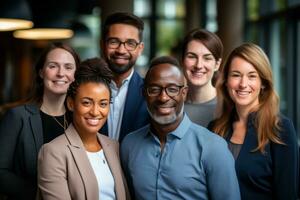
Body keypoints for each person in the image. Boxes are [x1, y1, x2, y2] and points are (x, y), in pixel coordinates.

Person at [121, 56, 240, 200]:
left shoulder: (213, 148)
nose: (163, 97)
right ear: (144, 93)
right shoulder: (129, 145)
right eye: (154, 89)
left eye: (172, 89)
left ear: (184, 93)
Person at [209, 43, 299, 200]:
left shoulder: (281, 129)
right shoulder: (214, 129)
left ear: (263, 83)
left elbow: (288, 195)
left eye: (252, 76)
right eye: (236, 75)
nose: (243, 84)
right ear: (226, 81)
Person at [38, 58, 130, 200]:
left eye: (103, 104)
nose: (95, 111)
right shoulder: (53, 152)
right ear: (70, 104)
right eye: (87, 102)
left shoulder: (113, 146)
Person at [0, 42, 79, 200]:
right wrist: (40, 195)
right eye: (53, 66)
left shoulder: (80, 119)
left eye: (68, 67)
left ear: (75, 75)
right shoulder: (17, 117)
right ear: (41, 72)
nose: (61, 73)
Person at [100, 12, 149, 142]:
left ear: (140, 48)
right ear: (102, 45)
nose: (121, 50)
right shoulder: (85, 90)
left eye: (130, 43)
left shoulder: (150, 94)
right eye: (114, 41)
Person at [182, 28, 223, 127]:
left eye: (207, 58)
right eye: (192, 56)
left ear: (217, 64)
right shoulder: (171, 106)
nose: (199, 65)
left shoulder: (228, 107)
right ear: (182, 61)